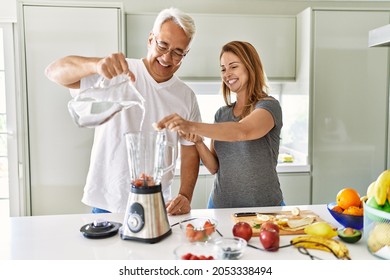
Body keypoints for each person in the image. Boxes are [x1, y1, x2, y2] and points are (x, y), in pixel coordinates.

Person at [45, 7, 201, 215]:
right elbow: (53, 72)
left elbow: (190, 149)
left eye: (178, 52)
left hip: (158, 205)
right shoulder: (118, 72)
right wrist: (96, 65)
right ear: (150, 40)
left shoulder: (186, 96)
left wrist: (185, 195)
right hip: (108, 202)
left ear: (185, 54)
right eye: (163, 45)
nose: (167, 57)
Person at [157, 41, 284, 208]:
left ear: (250, 66)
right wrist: (198, 142)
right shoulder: (222, 114)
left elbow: (242, 131)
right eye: (223, 69)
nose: (227, 74)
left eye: (233, 67)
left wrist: (190, 125)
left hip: (265, 209)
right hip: (220, 207)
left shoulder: (268, 106)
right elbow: (214, 167)